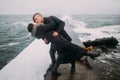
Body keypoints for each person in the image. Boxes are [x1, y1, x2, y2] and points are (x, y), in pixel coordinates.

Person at [27, 23, 100, 75]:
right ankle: (91, 54)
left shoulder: (38, 35)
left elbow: (46, 42)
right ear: (34, 26)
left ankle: (54, 70)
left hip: (55, 43)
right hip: (59, 41)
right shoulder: (41, 27)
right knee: (75, 48)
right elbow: (53, 25)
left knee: (62, 55)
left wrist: (49, 36)